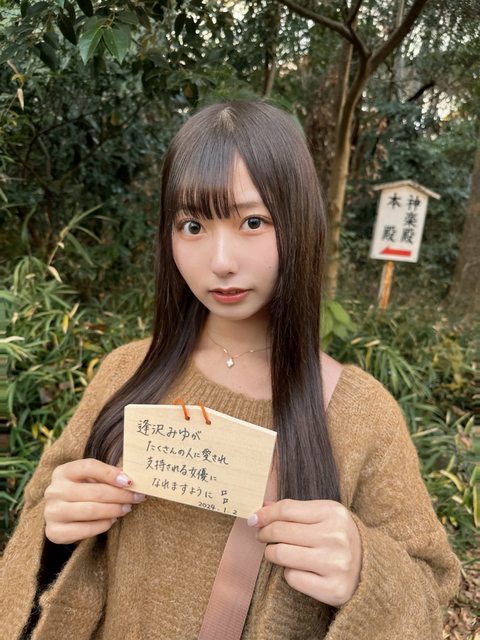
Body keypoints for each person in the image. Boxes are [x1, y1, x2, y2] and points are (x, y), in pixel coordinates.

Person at [1, 100, 460, 640]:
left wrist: (364, 568)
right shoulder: (126, 370)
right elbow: (39, 513)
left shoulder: (359, 411)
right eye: (193, 225)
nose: (221, 260)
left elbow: (432, 585)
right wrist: (54, 524)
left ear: (299, 223)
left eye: (253, 222)